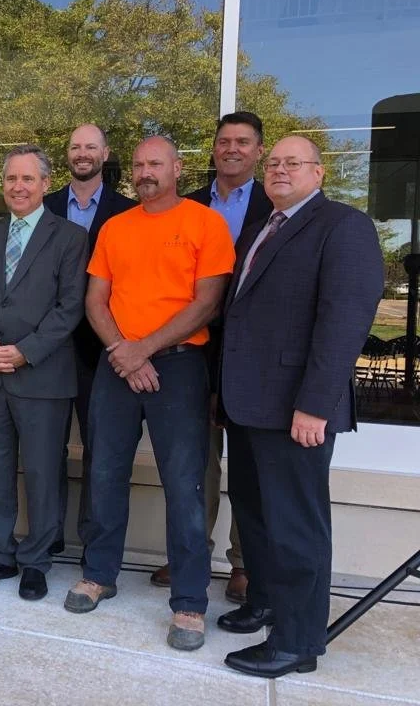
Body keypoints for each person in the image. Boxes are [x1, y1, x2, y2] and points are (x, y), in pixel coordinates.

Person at [219, 136, 383, 678]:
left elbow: (344, 323)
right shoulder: (262, 228)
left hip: (297, 409)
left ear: (319, 173)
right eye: (274, 163)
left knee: (295, 525)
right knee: (256, 513)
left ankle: (297, 641)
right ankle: (266, 602)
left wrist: (316, 404)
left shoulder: (343, 226)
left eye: (294, 162)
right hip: (250, 404)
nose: (281, 170)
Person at [67, 136, 234, 653]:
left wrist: (145, 349)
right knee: (104, 472)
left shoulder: (206, 223)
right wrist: (124, 351)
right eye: (139, 164)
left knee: (184, 484)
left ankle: (189, 602)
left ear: (177, 168)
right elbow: (95, 300)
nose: (145, 172)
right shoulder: (115, 227)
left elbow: (207, 303)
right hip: (117, 362)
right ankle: (99, 574)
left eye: (155, 163)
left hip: (179, 366)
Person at [150, 111, 272, 602]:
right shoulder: (189, 205)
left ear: (258, 150)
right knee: (195, 461)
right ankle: (191, 553)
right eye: (225, 141)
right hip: (194, 351)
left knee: (248, 462)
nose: (232, 149)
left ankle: (244, 562)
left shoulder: (274, 205)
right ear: (214, 149)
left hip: (252, 355)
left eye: (243, 142)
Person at [0, 144, 88, 601]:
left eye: (27, 179)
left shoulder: (71, 237)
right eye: (11, 179)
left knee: (42, 473)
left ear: (45, 184)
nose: (18, 187)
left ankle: (36, 560)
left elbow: (70, 306)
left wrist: (24, 352)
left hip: (41, 376)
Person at [44, 123, 136, 553]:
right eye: (75, 146)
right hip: (47, 347)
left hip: (103, 349)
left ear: (105, 153)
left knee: (101, 452)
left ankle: (93, 543)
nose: (82, 153)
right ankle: (49, 536)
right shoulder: (43, 206)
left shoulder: (127, 211)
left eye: (91, 147)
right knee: (48, 449)